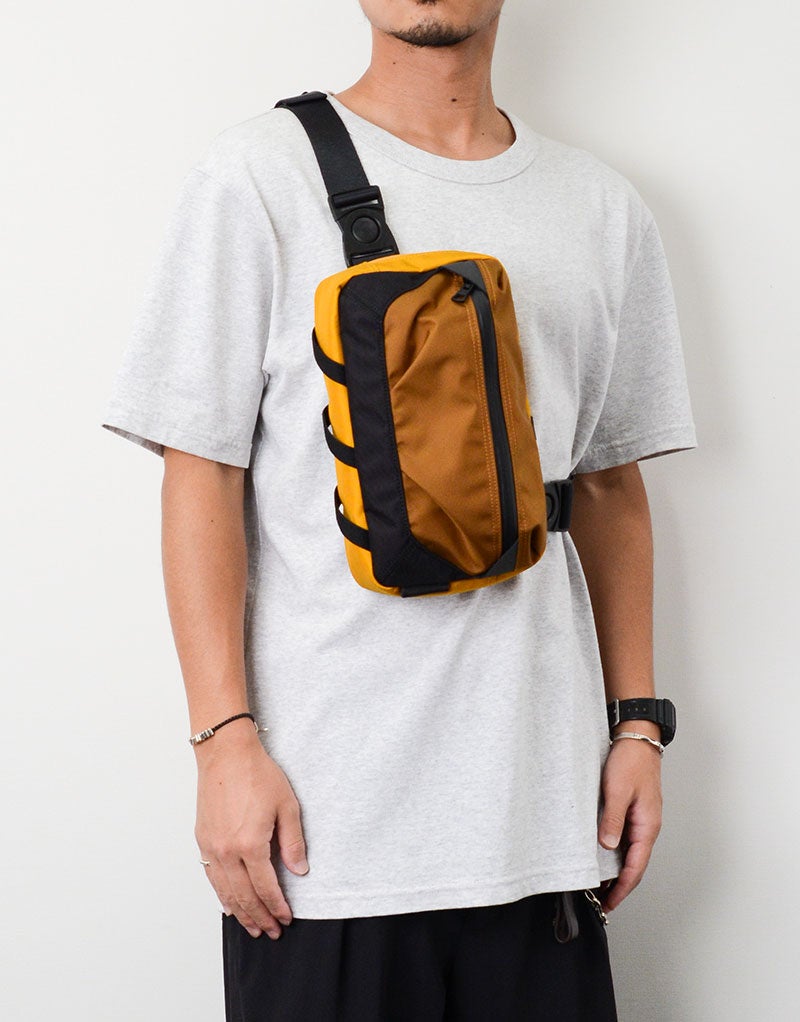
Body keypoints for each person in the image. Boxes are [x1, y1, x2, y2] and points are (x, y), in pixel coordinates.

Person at [101, 1, 697, 1018]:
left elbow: (607, 482)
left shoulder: (598, 206)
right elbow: (200, 471)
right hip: (322, 841)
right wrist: (222, 742)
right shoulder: (256, 175)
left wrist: (636, 725)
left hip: (542, 826)